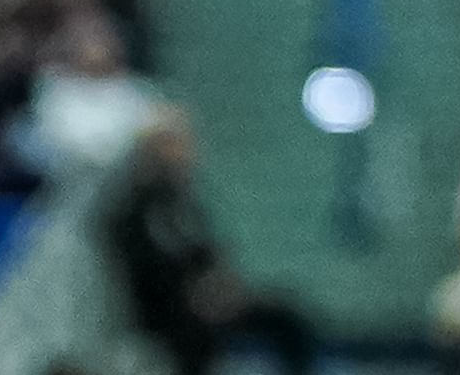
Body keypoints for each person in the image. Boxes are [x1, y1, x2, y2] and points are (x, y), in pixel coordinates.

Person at [105, 112, 319, 375]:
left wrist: (222, 286)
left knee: (287, 318)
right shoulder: (135, 210)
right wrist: (192, 294)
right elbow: (147, 269)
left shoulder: (185, 205)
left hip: (205, 299)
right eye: (173, 147)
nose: (184, 156)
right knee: (191, 334)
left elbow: (208, 252)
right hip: (165, 309)